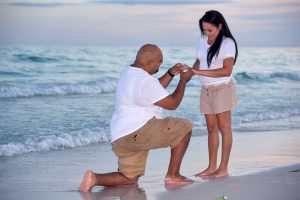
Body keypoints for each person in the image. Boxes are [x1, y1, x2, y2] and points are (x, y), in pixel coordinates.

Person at [79, 44, 194, 192]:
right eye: (159, 61)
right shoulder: (145, 81)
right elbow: (172, 104)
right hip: (139, 132)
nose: (161, 64)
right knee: (184, 127)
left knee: (129, 179)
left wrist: (170, 73)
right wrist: (183, 81)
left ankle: (94, 178)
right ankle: (173, 175)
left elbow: (153, 90)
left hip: (120, 137)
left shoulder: (129, 73)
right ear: (149, 63)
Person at [191, 10, 238, 179]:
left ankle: (223, 168)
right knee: (211, 128)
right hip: (206, 90)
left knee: (224, 128)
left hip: (222, 89)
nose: (206, 33)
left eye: (210, 30)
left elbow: (227, 70)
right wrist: (189, 72)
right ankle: (212, 167)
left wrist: (200, 72)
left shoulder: (227, 43)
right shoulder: (203, 40)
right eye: (204, 30)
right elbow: (199, 60)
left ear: (220, 26)